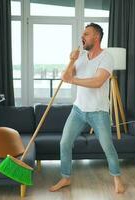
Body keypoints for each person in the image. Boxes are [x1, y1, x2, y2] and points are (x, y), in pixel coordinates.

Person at [49, 23, 125, 194]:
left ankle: (117, 178)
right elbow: (65, 76)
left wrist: (73, 81)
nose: (82, 36)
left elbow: (97, 82)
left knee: (107, 146)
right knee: (65, 142)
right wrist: (71, 60)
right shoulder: (81, 57)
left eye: (86, 33)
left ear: (96, 37)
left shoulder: (107, 58)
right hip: (78, 110)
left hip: (98, 112)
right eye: (82, 34)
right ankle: (66, 177)